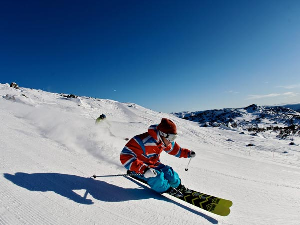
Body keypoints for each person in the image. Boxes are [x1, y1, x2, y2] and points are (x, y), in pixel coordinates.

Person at [120, 118, 196, 197]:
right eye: (171, 137)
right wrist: (144, 169)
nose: (171, 141)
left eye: (174, 137)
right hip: (140, 168)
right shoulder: (141, 141)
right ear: (162, 134)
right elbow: (125, 156)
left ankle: (178, 186)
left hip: (154, 164)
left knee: (169, 173)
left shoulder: (165, 141)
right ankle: (167, 189)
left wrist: (187, 153)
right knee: (157, 177)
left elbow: (175, 150)